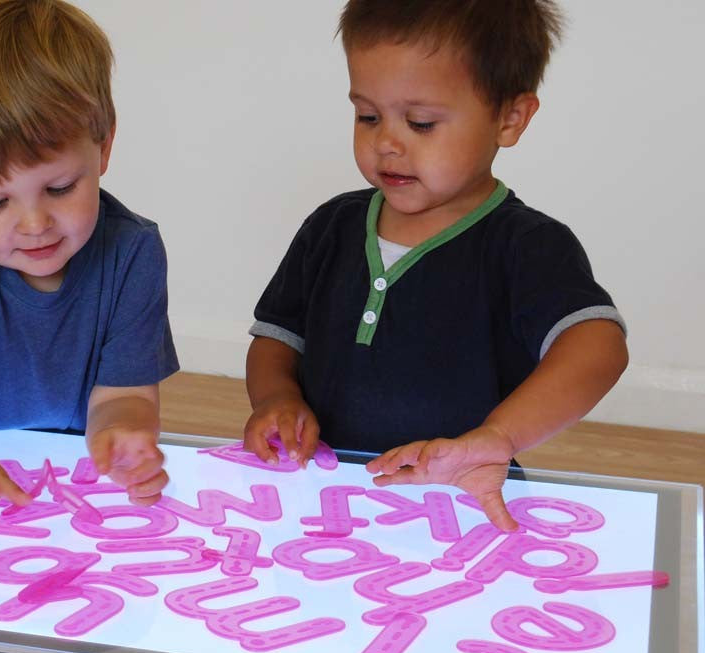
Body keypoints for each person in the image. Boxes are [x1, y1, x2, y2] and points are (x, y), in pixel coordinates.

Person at [243, 0, 628, 532]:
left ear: (509, 118)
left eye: (420, 123)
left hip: (460, 502)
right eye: (368, 116)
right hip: (321, 498)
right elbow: (277, 339)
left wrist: (500, 437)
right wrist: (276, 399)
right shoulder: (331, 226)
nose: (386, 142)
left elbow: (598, 347)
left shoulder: (527, 244)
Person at [0, 0, 179, 532]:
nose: (35, 223)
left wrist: (125, 437)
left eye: (60, 188)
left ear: (104, 145)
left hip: (73, 483)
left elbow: (126, 394)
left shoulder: (132, 250)